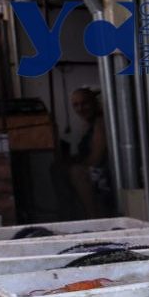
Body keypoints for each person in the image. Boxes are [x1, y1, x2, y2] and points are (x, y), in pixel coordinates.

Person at [66, 87, 109, 218]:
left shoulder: (100, 122)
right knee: (57, 168)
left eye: (85, 103)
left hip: (107, 172)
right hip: (95, 167)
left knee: (76, 172)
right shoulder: (87, 124)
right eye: (76, 105)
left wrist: (76, 164)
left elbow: (96, 158)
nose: (81, 109)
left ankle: (93, 216)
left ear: (94, 103)